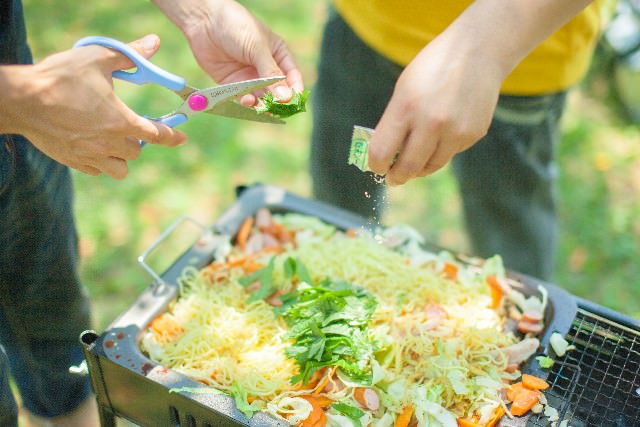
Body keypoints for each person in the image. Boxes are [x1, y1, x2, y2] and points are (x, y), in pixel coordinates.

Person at [0, 0, 302, 425]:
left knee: (56, 343)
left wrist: (201, 12)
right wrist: (28, 99)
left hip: (24, 119)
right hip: (30, 108)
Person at [310, 0, 602, 281]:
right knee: (338, 199)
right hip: (361, 24)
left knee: (511, 246)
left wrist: (481, 50)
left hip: (521, 57)